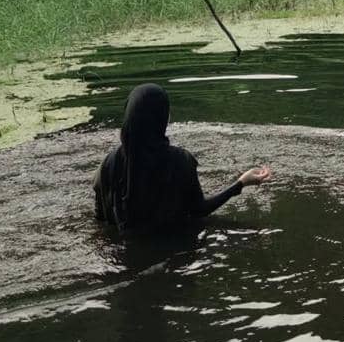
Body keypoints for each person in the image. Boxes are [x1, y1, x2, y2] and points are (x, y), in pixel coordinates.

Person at [94, 82, 271, 232]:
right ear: (161, 119)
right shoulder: (180, 161)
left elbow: (100, 219)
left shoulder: (108, 164)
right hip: (176, 254)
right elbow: (199, 209)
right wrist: (240, 184)